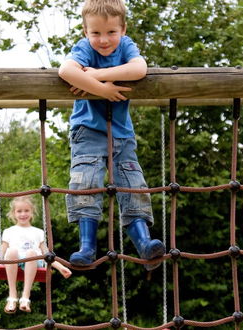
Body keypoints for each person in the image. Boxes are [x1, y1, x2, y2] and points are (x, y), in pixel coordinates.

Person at [58, 0, 165, 271]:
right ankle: (87, 247)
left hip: (121, 133)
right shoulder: (83, 48)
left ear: (123, 29)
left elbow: (139, 69)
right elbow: (66, 71)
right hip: (87, 130)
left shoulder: (126, 46)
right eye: (95, 33)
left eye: (111, 33)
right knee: (86, 181)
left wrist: (96, 77)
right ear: (85, 32)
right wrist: (103, 90)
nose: (103, 40)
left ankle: (144, 243)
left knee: (132, 183)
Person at [0, 196, 71, 314]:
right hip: (13, 261)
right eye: (19, 211)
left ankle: (25, 297)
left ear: (32, 212)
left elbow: (47, 255)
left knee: (31, 252)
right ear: (14, 213)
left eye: (26, 210)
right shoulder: (9, 232)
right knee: (11, 251)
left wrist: (61, 267)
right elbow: (0, 255)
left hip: (33, 261)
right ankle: (12, 296)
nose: (23, 214)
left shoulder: (38, 232)